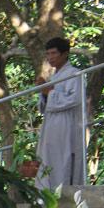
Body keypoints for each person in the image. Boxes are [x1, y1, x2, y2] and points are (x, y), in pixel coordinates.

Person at [35, 37, 85, 188]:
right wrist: (44, 93)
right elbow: (45, 104)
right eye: (48, 54)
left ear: (65, 54)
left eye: (54, 53)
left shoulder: (75, 74)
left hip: (66, 124)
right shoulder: (53, 77)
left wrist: (49, 92)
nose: (50, 57)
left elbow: (75, 99)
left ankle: (63, 192)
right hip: (51, 125)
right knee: (48, 160)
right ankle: (46, 194)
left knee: (63, 160)